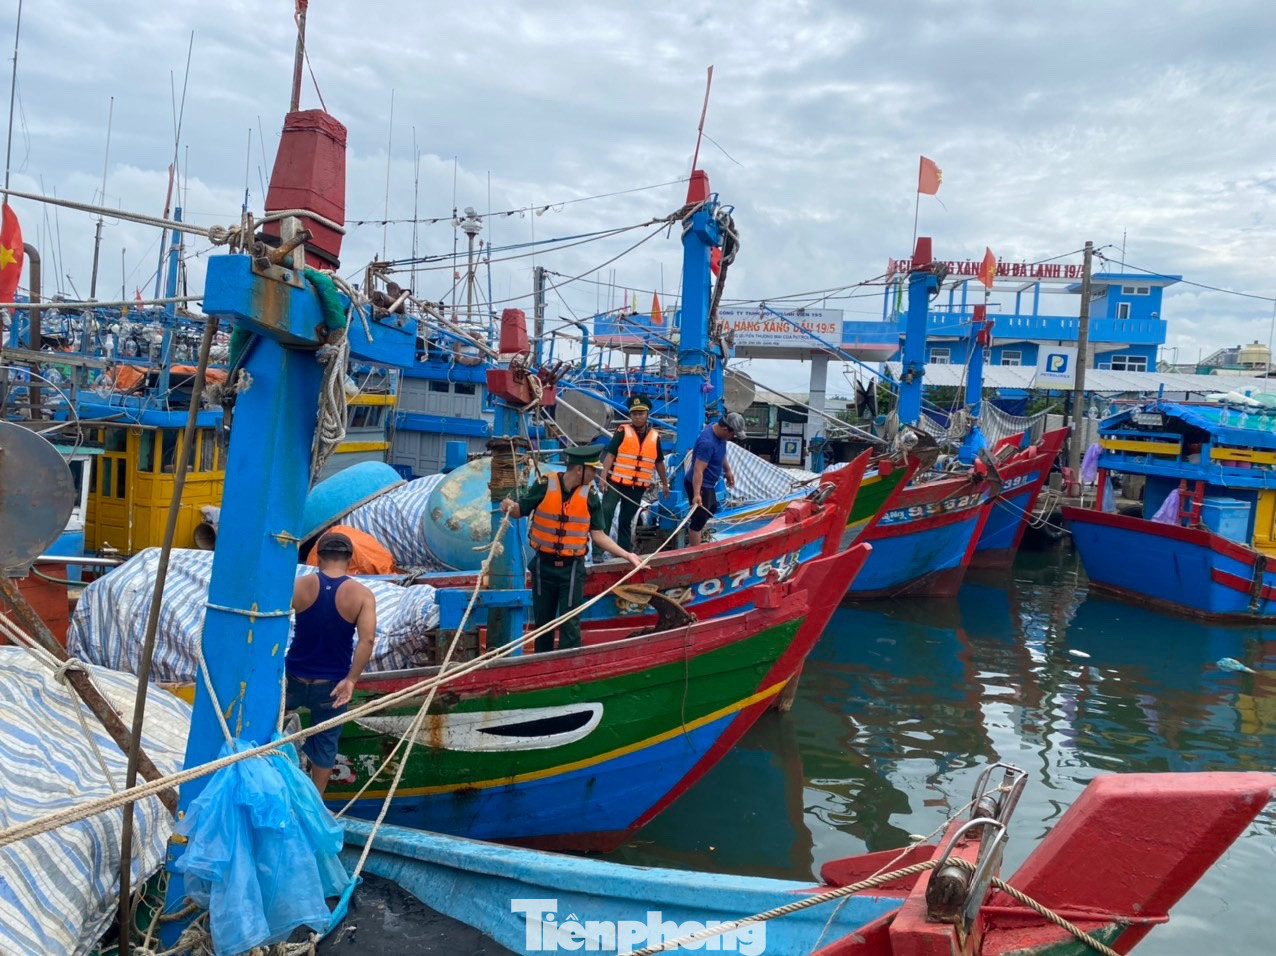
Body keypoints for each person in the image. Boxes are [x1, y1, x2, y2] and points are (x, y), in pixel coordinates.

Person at [500, 444, 641, 652]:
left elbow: (598, 535)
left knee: (570, 623)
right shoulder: (545, 485)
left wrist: (627, 555)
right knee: (543, 623)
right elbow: (520, 511)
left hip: (572, 568)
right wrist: (508, 506)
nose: (596, 474)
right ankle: (541, 665)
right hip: (543, 566)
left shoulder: (590, 496)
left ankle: (569, 665)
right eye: (593, 470)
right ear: (579, 470)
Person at [285, 531, 377, 793]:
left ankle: (274, 789)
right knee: (325, 746)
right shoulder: (362, 595)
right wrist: (352, 680)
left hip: (293, 678)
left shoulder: (297, 586)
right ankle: (314, 806)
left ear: (318, 556)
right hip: (332, 685)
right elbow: (367, 640)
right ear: (350, 559)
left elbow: (274, 621)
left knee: (272, 734)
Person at [599, 395, 671, 552]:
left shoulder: (654, 437)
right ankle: (599, 550)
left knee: (626, 519)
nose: (637, 417)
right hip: (616, 482)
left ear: (647, 415)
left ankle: (623, 550)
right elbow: (610, 455)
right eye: (634, 414)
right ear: (630, 415)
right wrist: (603, 478)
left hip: (637, 487)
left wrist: (665, 484)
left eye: (641, 413)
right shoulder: (622, 431)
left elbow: (659, 462)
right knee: (606, 512)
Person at [685, 411, 745, 546]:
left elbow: (720, 451)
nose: (733, 437)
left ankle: (698, 535)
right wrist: (696, 494)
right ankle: (695, 552)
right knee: (699, 519)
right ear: (725, 429)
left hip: (709, 484)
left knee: (711, 508)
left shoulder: (716, 430)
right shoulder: (707, 443)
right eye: (733, 434)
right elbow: (698, 470)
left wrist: (728, 470)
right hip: (700, 483)